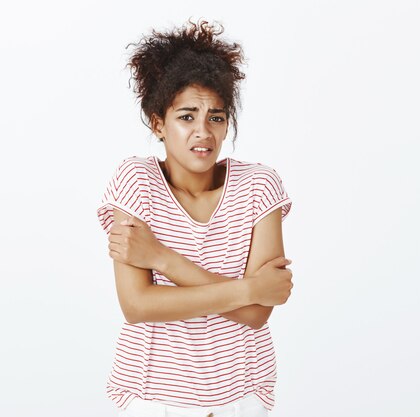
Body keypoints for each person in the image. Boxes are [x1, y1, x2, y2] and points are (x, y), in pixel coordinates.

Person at [96, 19, 294, 417]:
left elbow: (258, 314)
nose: (202, 132)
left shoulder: (259, 186)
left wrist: (162, 260)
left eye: (216, 118)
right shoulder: (136, 181)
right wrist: (250, 288)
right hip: (152, 396)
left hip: (243, 395)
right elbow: (137, 305)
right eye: (186, 117)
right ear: (158, 124)